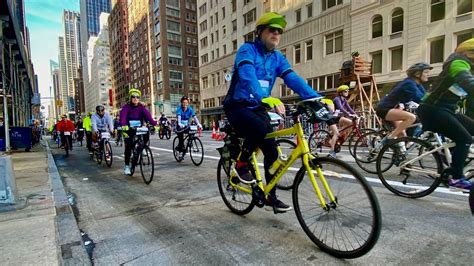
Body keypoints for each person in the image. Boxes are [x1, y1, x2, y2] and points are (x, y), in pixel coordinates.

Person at [223, 12, 321, 212]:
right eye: (271, 29)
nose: (276, 33)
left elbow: (293, 79)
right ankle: (241, 164)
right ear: (260, 32)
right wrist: (263, 97)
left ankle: (270, 195)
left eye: (279, 31)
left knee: (272, 152)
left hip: (260, 107)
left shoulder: (277, 57)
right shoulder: (247, 50)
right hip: (238, 105)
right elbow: (247, 74)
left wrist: (315, 98)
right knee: (260, 131)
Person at [417, 38, 474, 192]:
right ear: (469, 53)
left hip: (447, 110)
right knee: (465, 139)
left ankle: (453, 162)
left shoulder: (469, 67)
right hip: (432, 109)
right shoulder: (458, 63)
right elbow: (469, 84)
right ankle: (456, 178)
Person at [375, 62, 432, 146]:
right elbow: (420, 98)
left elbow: (426, 97)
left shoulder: (417, 84)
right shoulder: (409, 83)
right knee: (411, 117)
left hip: (394, 109)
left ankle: (398, 155)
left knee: (402, 135)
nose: (428, 75)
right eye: (426, 72)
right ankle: (389, 139)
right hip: (384, 108)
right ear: (417, 74)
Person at [120, 88, 157, 175]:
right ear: (130, 98)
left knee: (146, 133)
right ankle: (126, 166)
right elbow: (123, 117)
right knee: (128, 146)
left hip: (139, 128)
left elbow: (148, 117)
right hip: (129, 129)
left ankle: (143, 147)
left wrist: (155, 124)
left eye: (137, 97)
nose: (135, 98)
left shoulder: (142, 107)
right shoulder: (126, 107)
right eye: (133, 97)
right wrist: (124, 125)